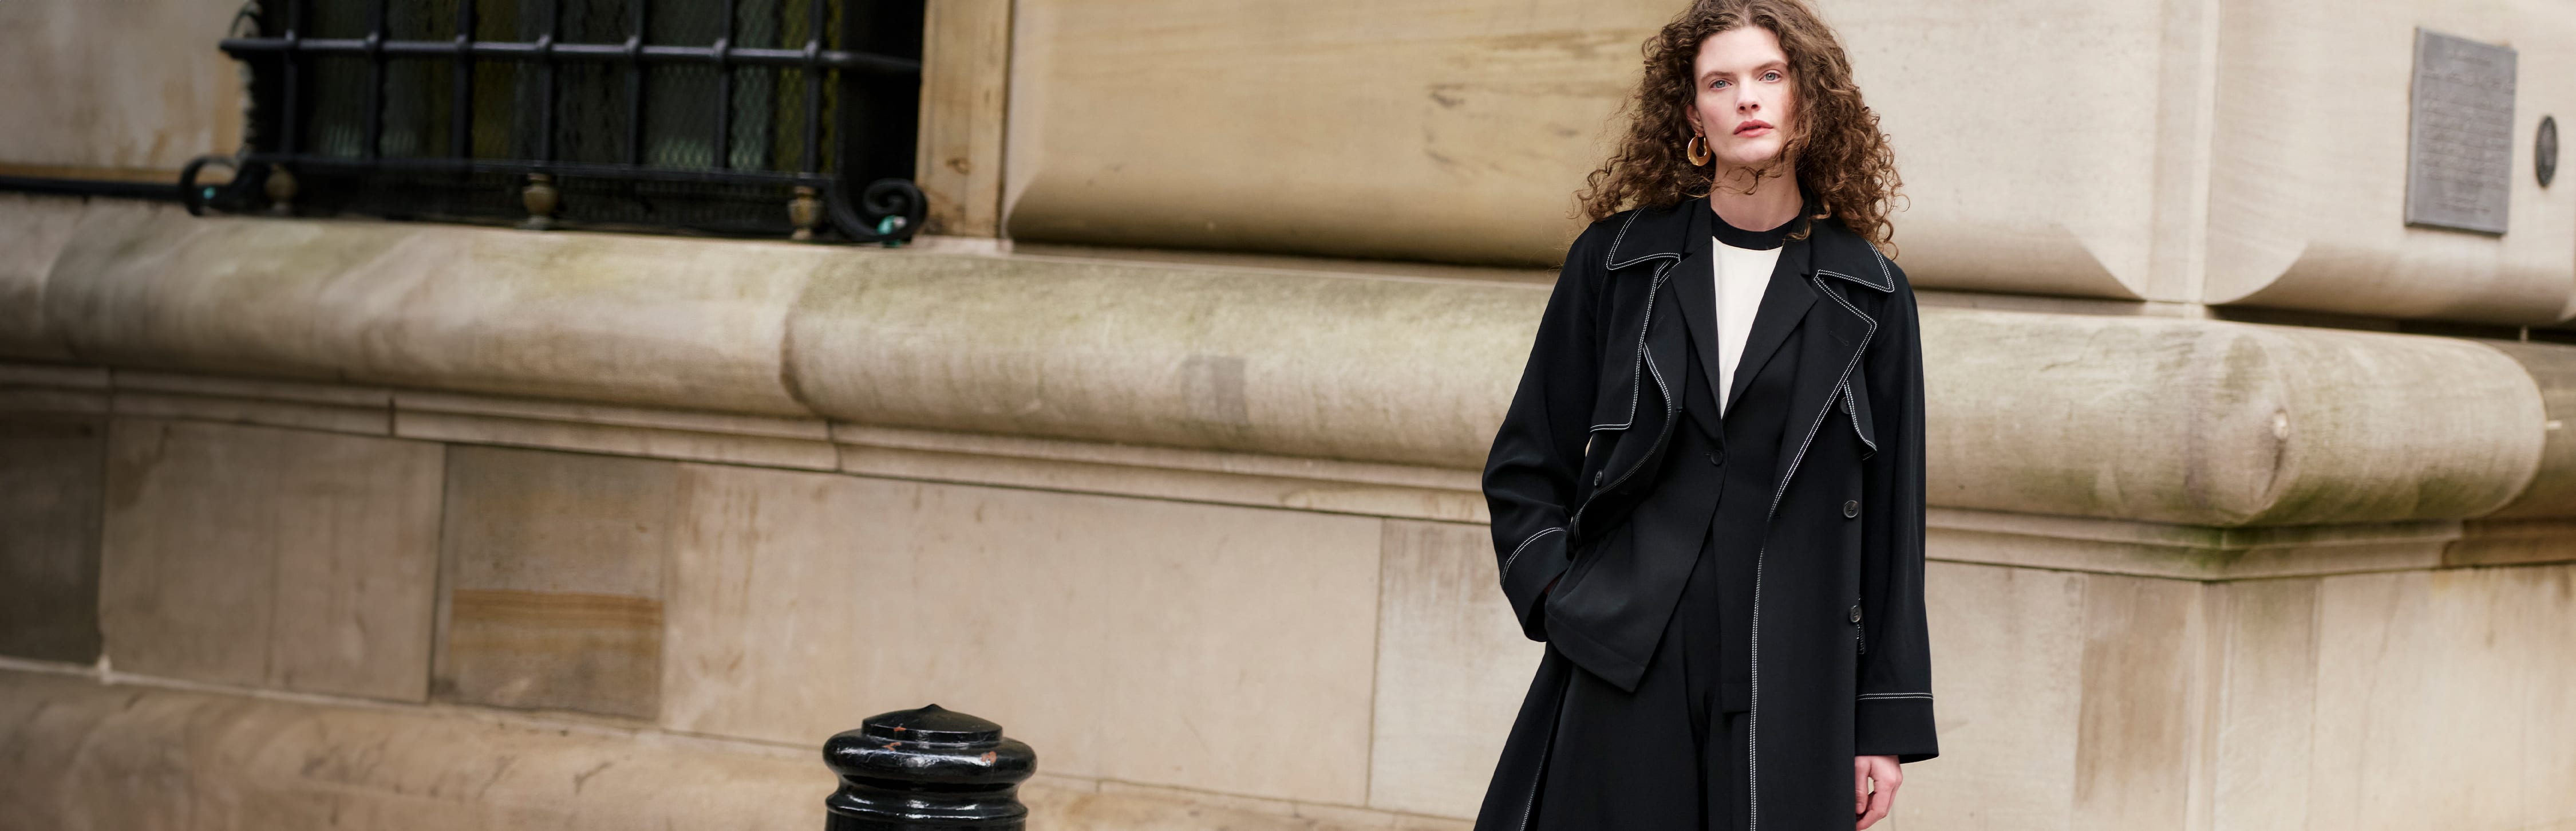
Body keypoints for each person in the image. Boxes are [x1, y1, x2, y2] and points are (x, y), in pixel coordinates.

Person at [1473, 1, 1935, 829]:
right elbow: (1525, 459)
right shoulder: (1618, 263)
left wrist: (1886, 724)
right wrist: (1558, 599)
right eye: (1719, 83)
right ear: (1693, 114)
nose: (1746, 99)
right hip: (1624, 653)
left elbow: (1896, 522)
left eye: (1770, 75)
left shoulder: (1870, 294)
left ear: (1809, 98)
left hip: (1792, 670)